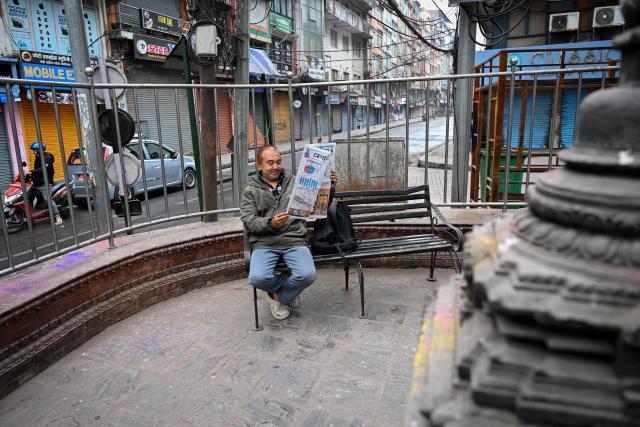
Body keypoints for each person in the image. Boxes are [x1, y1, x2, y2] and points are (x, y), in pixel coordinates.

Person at [241, 145, 338, 320]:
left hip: (294, 239)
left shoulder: (295, 181)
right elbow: (250, 222)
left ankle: (277, 297)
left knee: (308, 274)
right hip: (265, 243)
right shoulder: (250, 191)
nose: (276, 166)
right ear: (259, 165)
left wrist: (329, 187)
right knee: (257, 278)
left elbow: (317, 206)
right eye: (270, 163)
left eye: (278, 162)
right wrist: (271, 223)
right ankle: (289, 293)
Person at [28, 141, 63, 225]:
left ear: (38, 150)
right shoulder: (38, 157)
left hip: (45, 183)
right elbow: (38, 171)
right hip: (37, 182)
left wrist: (32, 171)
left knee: (48, 199)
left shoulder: (47, 157)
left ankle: (58, 217)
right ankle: (30, 217)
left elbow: (46, 168)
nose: (33, 152)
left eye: (34, 150)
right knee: (28, 197)